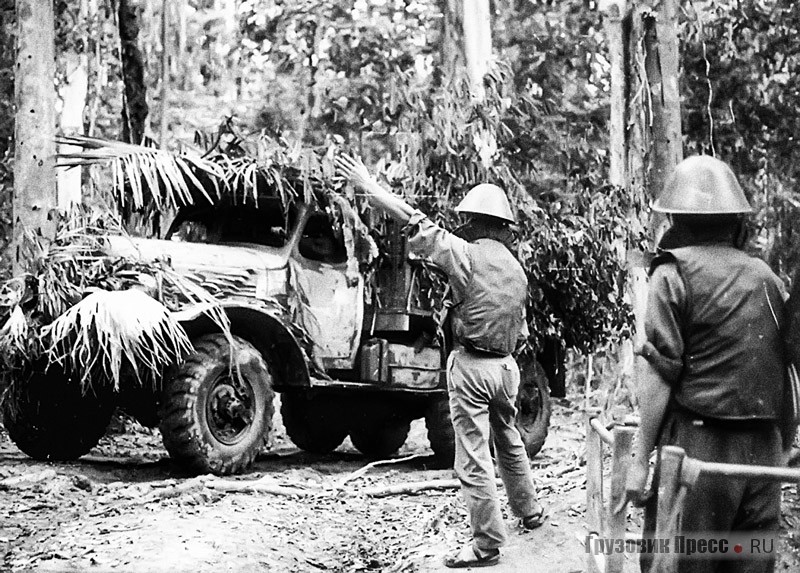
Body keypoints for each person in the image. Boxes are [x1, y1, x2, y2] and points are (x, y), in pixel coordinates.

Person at [335, 155, 545, 569]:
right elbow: (520, 330)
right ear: (504, 226)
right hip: (507, 369)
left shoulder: (465, 255)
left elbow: (412, 219)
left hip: (473, 367)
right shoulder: (517, 270)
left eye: (468, 220)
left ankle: (486, 545)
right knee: (509, 439)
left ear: (475, 222)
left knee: (473, 456)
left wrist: (370, 185)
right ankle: (530, 511)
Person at [617, 155, 797, 573]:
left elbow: (660, 377)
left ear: (675, 218)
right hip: (762, 453)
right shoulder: (766, 277)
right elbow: (787, 373)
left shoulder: (670, 277)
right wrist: (784, 445)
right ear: (736, 220)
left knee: (685, 563)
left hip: (699, 449)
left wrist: (639, 462)